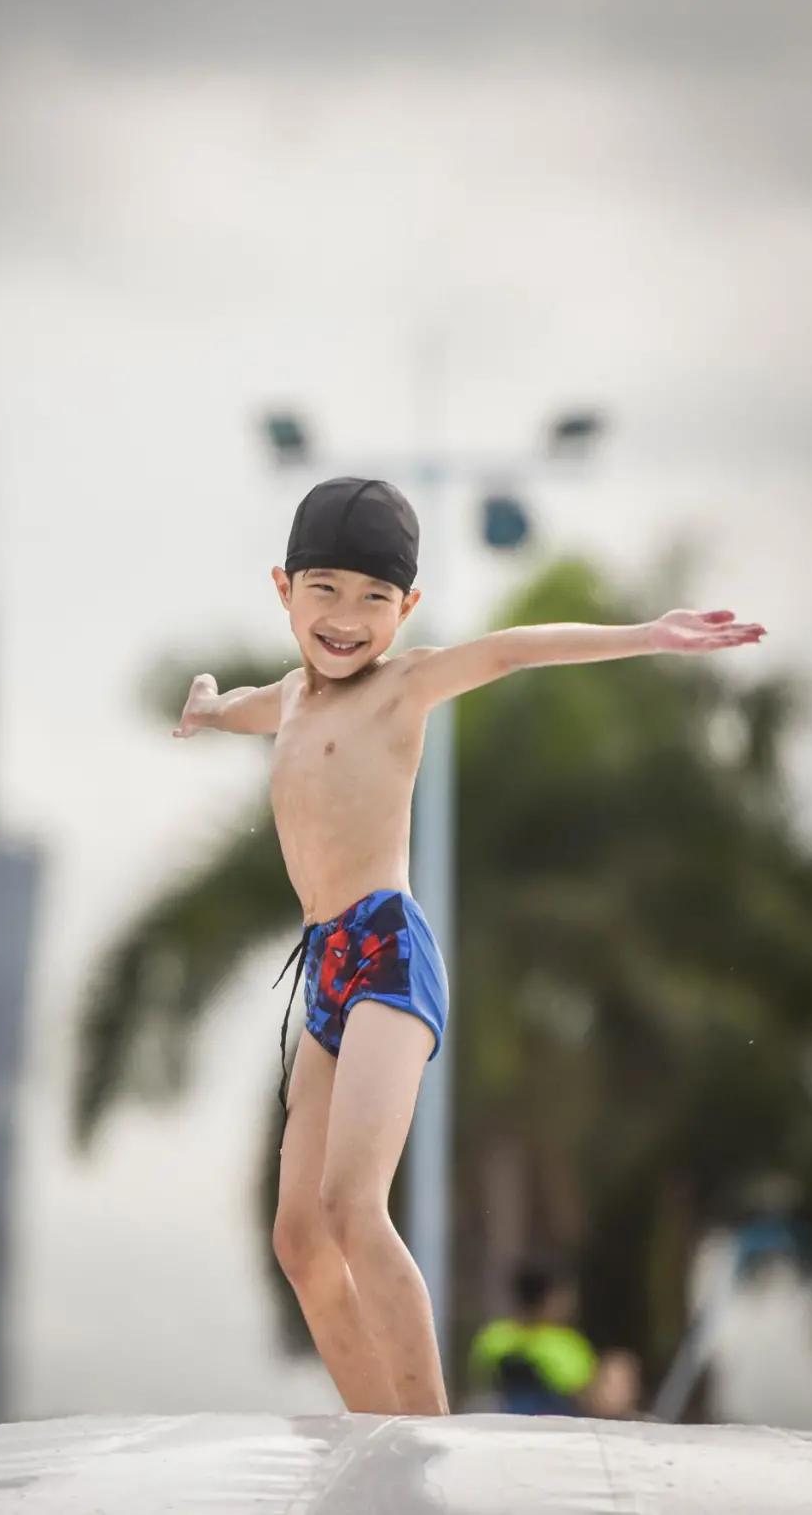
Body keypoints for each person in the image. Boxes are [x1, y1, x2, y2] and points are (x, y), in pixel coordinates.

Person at [174, 475, 765, 1417]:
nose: (346, 619)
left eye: (375, 599)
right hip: (324, 968)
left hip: (387, 955)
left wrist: (648, 636)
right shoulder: (289, 698)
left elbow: (509, 652)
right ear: (283, 588)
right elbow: (252, 703)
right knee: (299, 1236)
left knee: (353, 1207)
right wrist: (207, 705)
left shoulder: (404, 684)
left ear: (407, 609)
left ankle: (430, 1436)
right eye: (325, 590)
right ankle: (379, 1431)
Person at [468, 1259, 606, 1415]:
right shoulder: (567, 1345)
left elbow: (479, 1378)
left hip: (499, 1422)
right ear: (549, 1300)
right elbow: (584, 1393)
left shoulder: (492, 1337)